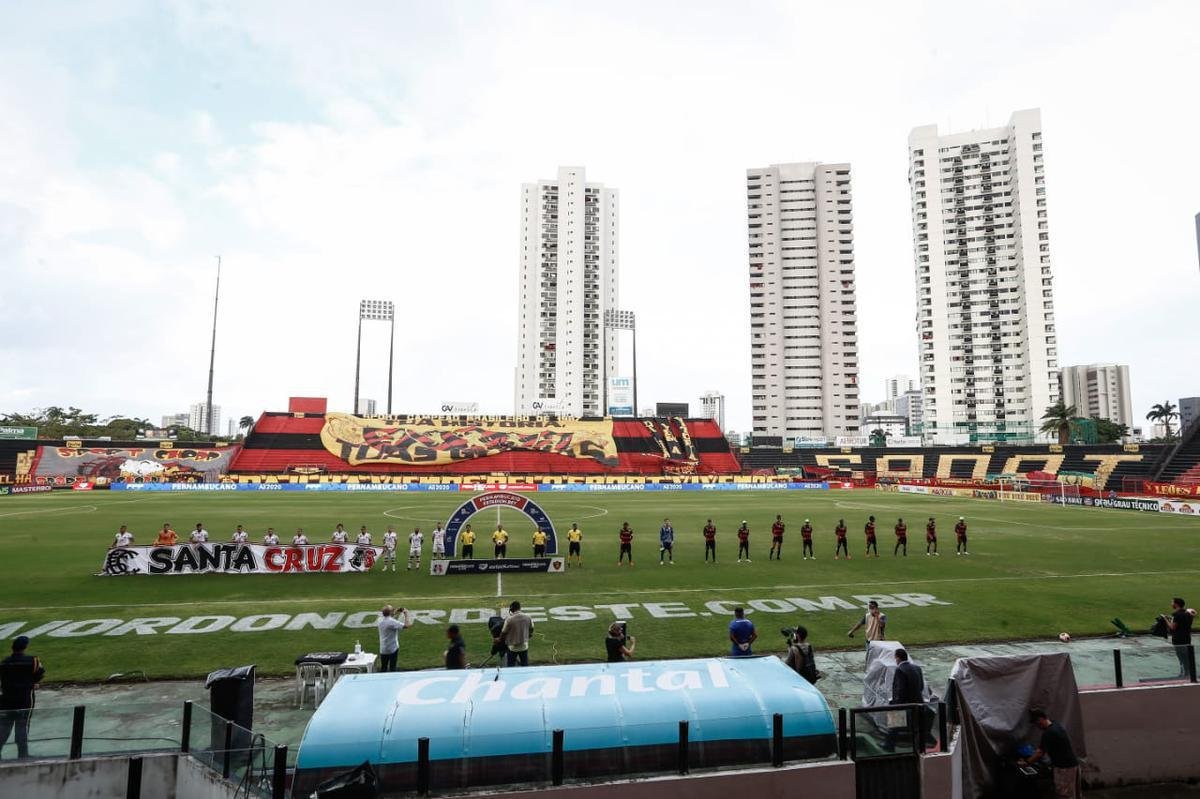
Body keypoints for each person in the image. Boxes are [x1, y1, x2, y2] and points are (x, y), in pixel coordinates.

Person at [0, 636, 45, 759]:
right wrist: (33, 683)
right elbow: (40, 673)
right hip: (25, 698)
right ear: (25, 647)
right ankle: (23, 754)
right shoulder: (33, 661)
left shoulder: (4, 662)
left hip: (6, 698)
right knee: (22, 725)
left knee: (5, 726)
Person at [1020, 708, 1081, 798]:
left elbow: (1040, 753)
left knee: (1064, 795)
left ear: (1041, 719)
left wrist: (1026, 762)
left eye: (1037, 723)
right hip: (1073, 765)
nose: (1038, 727)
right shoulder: (1055, 725)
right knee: (1074, 795)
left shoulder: (1049, 733)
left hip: (1064, 768)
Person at [888, 649, 934, 750]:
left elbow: (900, 689)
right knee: (916, 727)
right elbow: (921, 686)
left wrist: (896, 703)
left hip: (904, 703)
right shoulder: (917, 668)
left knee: (894, 722)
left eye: (895, 658)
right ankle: (917, 745)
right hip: (917, 702)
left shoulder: (899, 670)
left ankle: (889, 745)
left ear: (898, 658)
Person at [1165, 597, 1195, 677]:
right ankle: (1188, 673)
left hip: (1178, 639)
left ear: (1176, 604)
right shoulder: (1189, 614)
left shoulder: (1176, 614)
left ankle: (1184, 673)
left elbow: (1172, 627)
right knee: (1186, 656)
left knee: (1181, 657)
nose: (1171, 604)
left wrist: (1165, 619)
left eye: (1172, 602)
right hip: (1187, 638)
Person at [376, 605, 411, 673]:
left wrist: (396, 611)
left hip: (383, 649)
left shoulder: (379, 619)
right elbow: (407, 625)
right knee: (393, 668)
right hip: (392, 648)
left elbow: (388, 615)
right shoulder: (392, 622)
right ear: (390, 612)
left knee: (383, 667)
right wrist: (406, 614)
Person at [498, 601, 534, 666]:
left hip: (512, 647)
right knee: (525, 665)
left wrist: (499, 639)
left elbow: (503, 632)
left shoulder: (509, 619)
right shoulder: (528, 617)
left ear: (511, 609)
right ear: (520, 608)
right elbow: (531, 628)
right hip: (524, 646)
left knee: (511, 666)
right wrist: (529, 635)